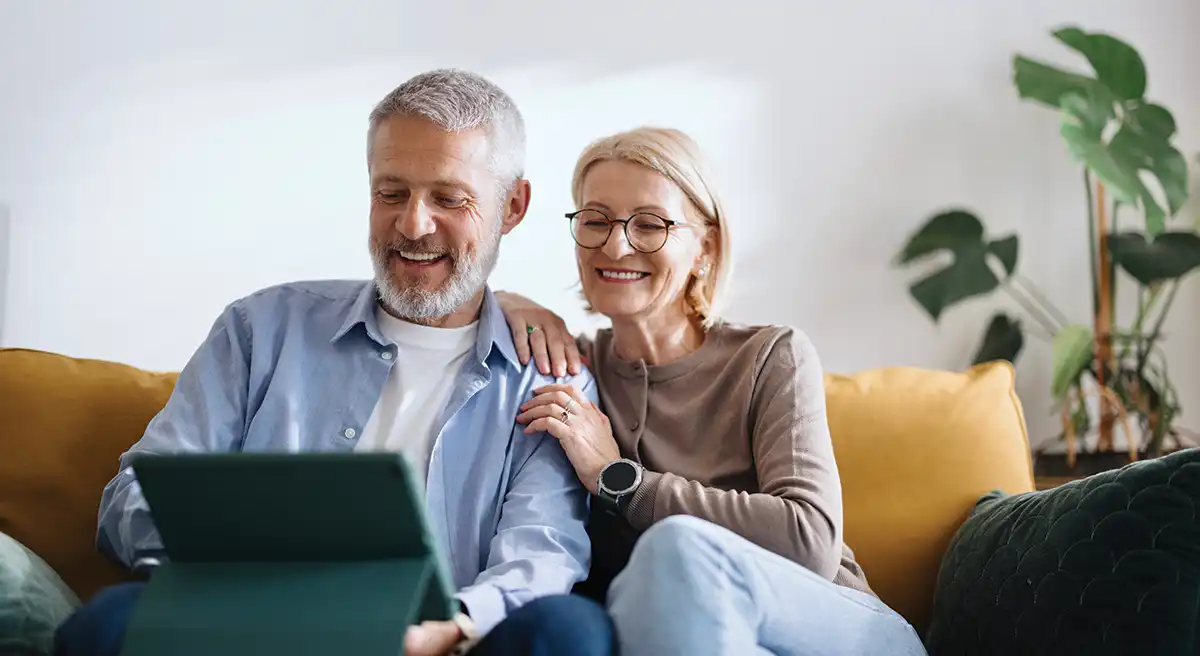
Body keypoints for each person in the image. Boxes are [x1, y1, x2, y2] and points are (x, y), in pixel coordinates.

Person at [53, 69, 616, 656]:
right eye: (391, 193)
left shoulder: (548, 375)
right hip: (247, 628)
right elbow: (133, 497)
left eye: (449, 198)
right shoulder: (260, 329)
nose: (412, 224)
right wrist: (240, 573)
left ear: (513, 206)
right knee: (110, 622)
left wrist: (453, 626)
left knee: (570, 631)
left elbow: (541, 549)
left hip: (439, 642)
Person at [491, 126, 928, 655]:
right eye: (595, 220)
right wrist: (504, 302)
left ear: (706, 244)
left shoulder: (771, 355)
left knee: (676, 550)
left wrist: (620, 482)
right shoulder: (570, 370)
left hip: (840, 631)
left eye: (649, 225)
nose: (615, 244)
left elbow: (809, 539)